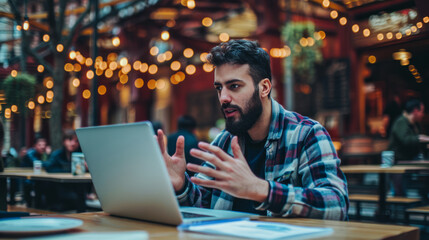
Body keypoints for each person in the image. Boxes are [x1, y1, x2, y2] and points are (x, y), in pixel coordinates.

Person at [156, 40, 349, 220]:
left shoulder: (307, 134)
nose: (223, 97)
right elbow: (201, 202)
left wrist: (260, 189)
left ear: (264, 88)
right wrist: (181, 186)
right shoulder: (224, 142)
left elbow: (336, 205)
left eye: (234, 86)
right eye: (219, 88)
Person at [388, 99, 429, 197]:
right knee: (399, 191)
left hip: (408, 162)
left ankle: (421, 198)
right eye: (422, 111)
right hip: (397, 163)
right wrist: (420, 138)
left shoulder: (415, 124)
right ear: (415, 111)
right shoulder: (401, 121)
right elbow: (405, 140)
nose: (423, 114)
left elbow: (415, 142)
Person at [43, 129, 87, 212]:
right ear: (64, 141)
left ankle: (81, 212)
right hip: (60, 189)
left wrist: (87, 167)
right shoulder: (57, 154)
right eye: (70, 140)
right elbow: (49, 168)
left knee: (80, 189)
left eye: (76, 141)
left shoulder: (82, 154)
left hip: (76, 188)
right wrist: (70, 170)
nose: (73, 143)